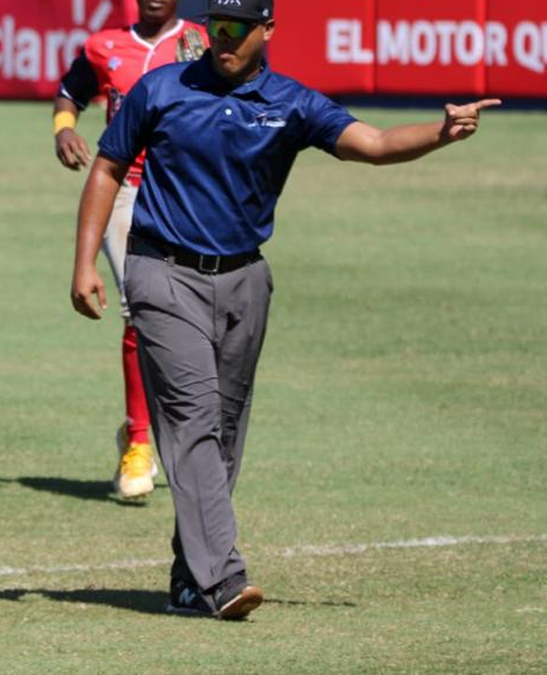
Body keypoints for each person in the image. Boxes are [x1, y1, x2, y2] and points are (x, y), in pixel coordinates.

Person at [69, 0, 500, 620]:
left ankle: (190, 579)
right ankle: (222, 578)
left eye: (237, 29)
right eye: (216, 26)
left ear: (266, 31)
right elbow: (108, 167)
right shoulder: (161, 89)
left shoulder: (293, 103)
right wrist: (85, 262)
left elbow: (372, 144)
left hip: (245, 281)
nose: (222, 39)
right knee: (191, 421)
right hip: (162, 273)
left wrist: (440, 132)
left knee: (223, 433)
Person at [53, 0, 207, 501]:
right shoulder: (105, 46)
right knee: (137, 309)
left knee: (188, 311)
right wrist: (65, 129)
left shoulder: (202, 42)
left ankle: (171, 430)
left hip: (182, 190)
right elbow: (68, 93)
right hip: (122, 188)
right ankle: (139, 443)